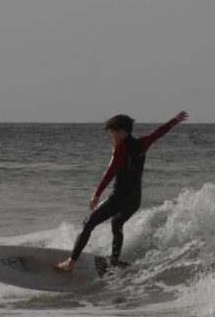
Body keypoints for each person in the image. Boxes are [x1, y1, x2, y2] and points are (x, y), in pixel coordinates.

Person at [55, 111, 189, 272]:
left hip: (120, 197)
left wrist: (96, 194)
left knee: (88, 223)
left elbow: (110, 172)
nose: (111, 136)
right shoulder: (143, 143)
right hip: (135, 199)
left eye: (112, 132)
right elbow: (159, 132)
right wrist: (174, 120)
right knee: (116, 223)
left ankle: (70, 263)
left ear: (121, 131)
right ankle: (114, 261)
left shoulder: (120, 148)